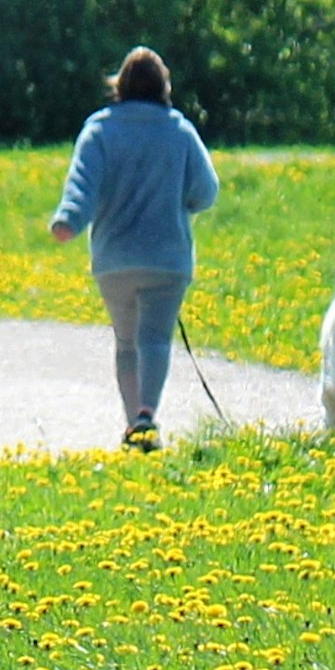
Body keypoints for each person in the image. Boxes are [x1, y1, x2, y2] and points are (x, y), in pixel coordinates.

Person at [46, 47, 219, 451]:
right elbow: (206, 192)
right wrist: (177, 199)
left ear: (119, 86)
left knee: (126, 342)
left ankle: (131, 423)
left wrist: (69, 220)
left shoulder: (99, 130)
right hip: (168, 258)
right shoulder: (179, 130)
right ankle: (146, 416)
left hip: (115, 260)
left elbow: (81, 188)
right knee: (156, 338)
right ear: (165, 87)